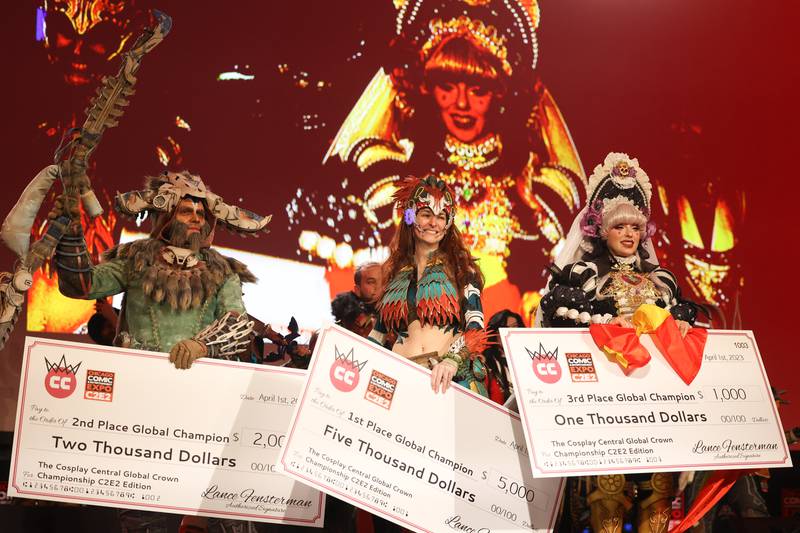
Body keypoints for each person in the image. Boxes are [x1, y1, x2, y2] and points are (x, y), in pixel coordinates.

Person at [318, 0, 587, 321]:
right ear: (428, 87)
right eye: (446, 86)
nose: (461, 103)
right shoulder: (390, 174)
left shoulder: (539, 191)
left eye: (478, 89)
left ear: (499, 92)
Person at [538, 153, 699, 533]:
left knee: (658, 488)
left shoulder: (661, 279)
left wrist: (679, 323)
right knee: (608, 489)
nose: (629, 234)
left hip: (656, 404)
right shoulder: (584, 273)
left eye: (635, 226)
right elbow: (556, 308)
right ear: (601, 230)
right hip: (605, 405)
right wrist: (606, 320)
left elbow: (680, 317)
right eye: (619, 226)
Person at [52, 169, 271, 368]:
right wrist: (69, 234)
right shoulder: (137, 259)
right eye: (186, 211)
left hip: (198, 383)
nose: (196, 219)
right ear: (167, 217)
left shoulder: (221, 271)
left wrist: (202, 347)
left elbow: (237, 324)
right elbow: (80, 285)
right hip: (136, 376)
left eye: (201, 214)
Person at [367, 174, 489, 395]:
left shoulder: (463, 271)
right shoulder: (395, 274)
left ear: (449, 222)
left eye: (441, 216)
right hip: (400, 381)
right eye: (426, 214)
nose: (434, 223)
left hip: (445, 380)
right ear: (411, 216)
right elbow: (377, 336)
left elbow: (476, 327)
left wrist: (452, 361)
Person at [483, 309, 523, 404]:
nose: (511, 332)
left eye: (515, 327)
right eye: (505, 328)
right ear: (494, 334)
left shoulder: (531, 359)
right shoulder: (486, 362)